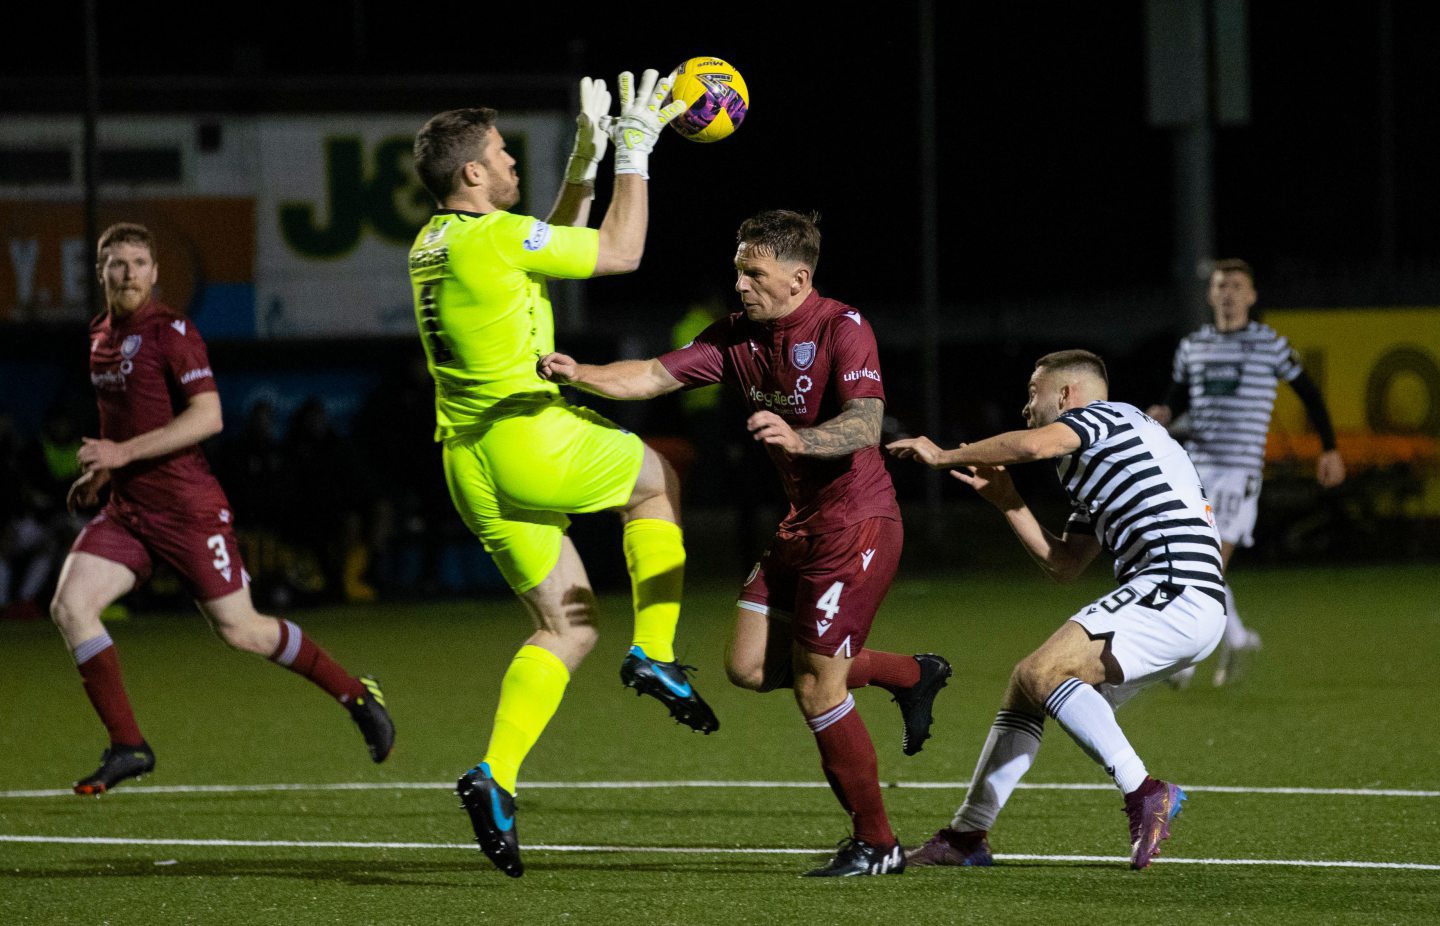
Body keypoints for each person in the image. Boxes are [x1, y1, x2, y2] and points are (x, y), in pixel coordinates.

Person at [539, 209, 953, 878]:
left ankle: (877, 844)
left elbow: (865, 423)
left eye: (753, 273)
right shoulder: (735, 336)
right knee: (750, 667)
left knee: (818, 689)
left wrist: (801, 439)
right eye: (737, 270)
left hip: (858, 525)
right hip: (801, 523)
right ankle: (911, 672)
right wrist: (576, 371)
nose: (740, 284)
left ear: (798, 277)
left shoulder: (841, 327)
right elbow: (650, 374)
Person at [409, 71, 716, 878]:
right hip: (527, 437)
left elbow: (541, 254)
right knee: (657, 483)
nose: (513, 164)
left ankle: (495, 777)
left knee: (566, 629)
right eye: (503, 155)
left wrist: (583, 161)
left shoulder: (437, 242)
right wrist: (634, 152)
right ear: (471, 173)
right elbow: (620, 252)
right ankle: (655, 649)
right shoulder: (492, 237)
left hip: (467, 462)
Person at [53, 222, 394, 795]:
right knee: (70, 607)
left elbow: (207, 416)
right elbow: (132, 421)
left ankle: (356, 695)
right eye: (118, 263)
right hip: (129, 511)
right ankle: (128, 744)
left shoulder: (173, 331)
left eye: (140, 262)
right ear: (101, 272)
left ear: (156, 273)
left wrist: (120, 452)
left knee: (243, 631)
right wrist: (106, 470)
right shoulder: (98, 335)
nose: (130, 272)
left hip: (188, 509)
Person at [888, 349, 1225, 870]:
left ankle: (1145, 791)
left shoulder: (1107, 417)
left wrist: (941, 455)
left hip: (1174, 587)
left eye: (1032, 394)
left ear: (1067, 396)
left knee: (1044, 670)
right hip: (1182, 599)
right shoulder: (1100, 462)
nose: (1026, 407)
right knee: (1028, 683)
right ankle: (966, 837)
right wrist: (1007, 499)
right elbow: (1064, 563)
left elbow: (1030, 444)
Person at [1147, 259, 1345, 685]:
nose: (1229, 293)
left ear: (1251, 296)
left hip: (1239, 472)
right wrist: (1163, 413)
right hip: (1194, 468)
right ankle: (1234, 637)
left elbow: (1309, 394)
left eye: (1237, 285)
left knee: (1208, 565)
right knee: (1187, 561)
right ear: (1211, 294)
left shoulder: (1268, 344)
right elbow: (1177, 400)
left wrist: (1329, 448)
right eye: (1222, 285)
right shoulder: (1193, 346)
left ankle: (1189, 660)